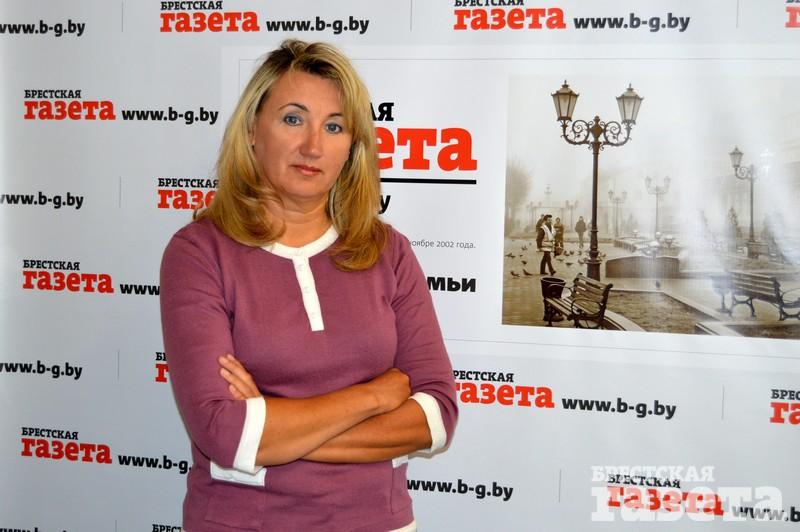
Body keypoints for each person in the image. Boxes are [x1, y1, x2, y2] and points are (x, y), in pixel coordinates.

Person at [159, 40, 458, 532]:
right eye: (293, 119)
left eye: (334, 126)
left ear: (352, 148)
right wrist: (375, 397)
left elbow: (436, 417)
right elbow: (224, 432)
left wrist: (273, 422)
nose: (313, 146)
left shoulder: (388, 251)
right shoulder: (199, 252)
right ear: (252, 130)